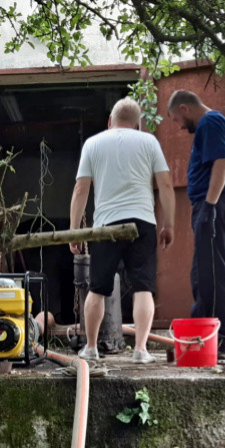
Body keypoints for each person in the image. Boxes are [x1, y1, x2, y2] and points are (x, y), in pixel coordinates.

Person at [69, 97, 175, 364]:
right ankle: (140, 350)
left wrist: (74, 231)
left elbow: (81, 189)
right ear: (138, 124)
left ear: (110, 121)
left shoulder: (93, 143)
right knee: (143, 287)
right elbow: (165, 185)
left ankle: (91, 348)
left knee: (97, 288)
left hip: (106, 225)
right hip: (142, 222)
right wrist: (169, 224)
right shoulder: (149, 142)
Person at [167, 90, 225, 360]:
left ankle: (222, 341)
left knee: (214, 275)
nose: (178, 125)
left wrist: (209, 207)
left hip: (217, 204)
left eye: (177, 119)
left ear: (185, 109)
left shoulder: (209, 123)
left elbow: (222, 163)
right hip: (221, 204)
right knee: (203, 274)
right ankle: (200, 338)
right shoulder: (219, 123)